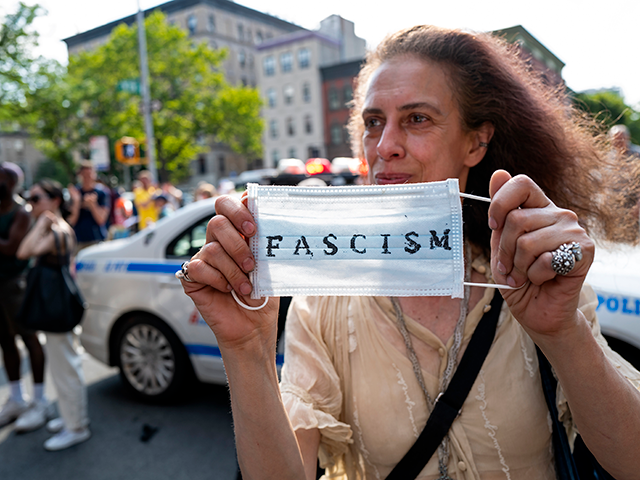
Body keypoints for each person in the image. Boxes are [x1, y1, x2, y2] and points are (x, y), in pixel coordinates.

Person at [179, 26, 640, 479]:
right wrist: (246, 352)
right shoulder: (324, 305)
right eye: (373, 123)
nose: (385, 147)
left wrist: (564, 334)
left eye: (417, 119)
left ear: (476, 142)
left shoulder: (534, 275)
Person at [17, 179, 91, 451]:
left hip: (57, 305)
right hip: (56, 303)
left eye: (37, 198)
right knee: (62, 364)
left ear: (54, 201)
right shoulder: (57, 227)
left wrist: (39, 224)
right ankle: (71, 418)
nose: (31, 203)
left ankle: (77, 427)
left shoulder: (57, 230)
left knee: (65, 366)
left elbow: (23, 251)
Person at [0, 163, 50, 431]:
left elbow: (11, 248)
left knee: (29, 338)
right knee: (5, 341)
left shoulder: (20, 213)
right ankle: (17, 397)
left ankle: (40, 400)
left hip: (15, 285)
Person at [67, 161, 111, 253]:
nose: (87, 177)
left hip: (97, 238)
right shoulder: (75, 193)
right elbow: (72, 221)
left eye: (90, 174)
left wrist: (92, 205)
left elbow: (101, 220)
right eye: (84, 175)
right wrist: (77, 202)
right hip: (78, 240)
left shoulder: (102, 192)